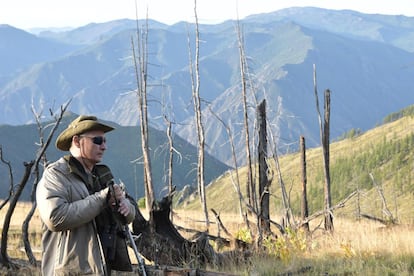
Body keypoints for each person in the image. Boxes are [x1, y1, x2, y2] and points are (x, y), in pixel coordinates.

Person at [36, 115, 136, 275]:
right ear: (76, 141)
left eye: (105, 141)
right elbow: (55, 217)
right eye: (97, 140)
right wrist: (102, 198)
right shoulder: (56, 175)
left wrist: (126, 207)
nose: (104, 146)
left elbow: (129, 215)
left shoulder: (102, 176)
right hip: (69, 271)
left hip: (101, 269)